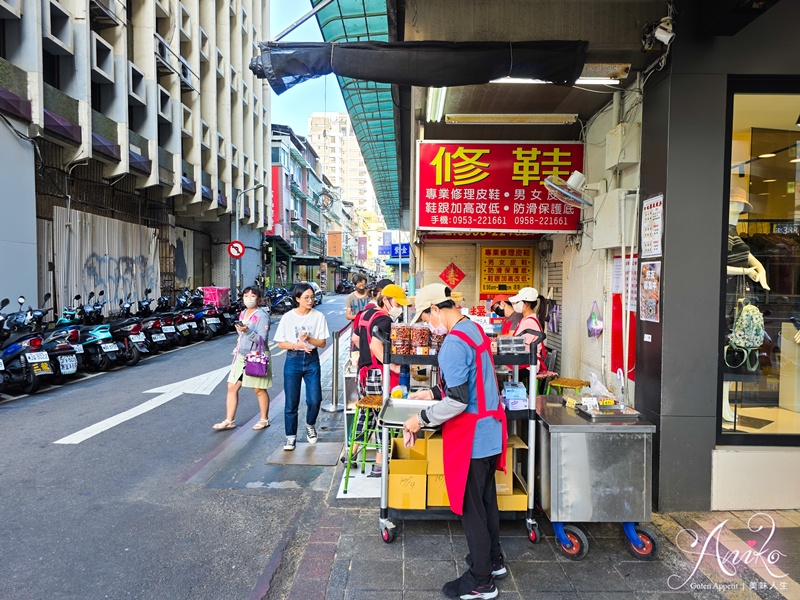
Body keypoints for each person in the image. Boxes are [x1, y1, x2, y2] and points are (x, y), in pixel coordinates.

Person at [404, 284, 506, 600]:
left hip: (472, 438)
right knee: (487, 502)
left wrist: (418, 419)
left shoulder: (451, 345)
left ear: (436, 308)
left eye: (425, 316)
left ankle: (481, 581)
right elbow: (471, 383)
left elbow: (459, 401)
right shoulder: (474, 330)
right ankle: (493, 561)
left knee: (471, 509)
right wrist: (432, 393)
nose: (426, 324)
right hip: (491, 432)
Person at [351, 283, 410, 476]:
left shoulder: (365, 314)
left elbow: (357, 339)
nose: (399, 308)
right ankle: (379, 463)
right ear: (385, 300)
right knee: (381, 417)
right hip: (377, 373)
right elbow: (377, 347)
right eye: (397, 303)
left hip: (364, 372)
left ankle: (350, 455)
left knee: (365, 415)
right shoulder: (384, 320)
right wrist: (393, 366)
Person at [273, 283, 330, 451]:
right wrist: (297, 345)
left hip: (312, 359)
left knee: (315, 399)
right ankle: (290, 437)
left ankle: (310, 424)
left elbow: (323, 342)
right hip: (293, 360)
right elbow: (281, 344)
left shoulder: (318, 317)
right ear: (297, 299)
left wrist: (308, 339)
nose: (310, 300)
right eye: (306, 297)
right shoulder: (288, 317)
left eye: (312, 297)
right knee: (291, 402)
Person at [213, 287, 272, 431]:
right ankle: (229, 420)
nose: (249, 298)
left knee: (258, 389)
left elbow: (262, 341)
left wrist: (247, 331)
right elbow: (242, 335)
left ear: (258, 299)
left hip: (257, 356)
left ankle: (264, 419)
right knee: (232, 386)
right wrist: (241, 331)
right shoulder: (243, 313)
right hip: (241, 355)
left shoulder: (262, 315)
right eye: (246, 296)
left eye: (252, 296)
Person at [727, 187, 770, 290]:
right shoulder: (725, 232)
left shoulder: (733, 231)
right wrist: (746, 271)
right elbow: (717, 265)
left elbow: (748, 256)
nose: (738, 204)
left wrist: (762, 272)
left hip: (739, 286)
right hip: (730, 286)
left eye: (740, 202)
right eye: (733, 202)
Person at [509, 287, 547, 382]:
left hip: (529, 364)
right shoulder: (525, 319)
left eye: (517, 302)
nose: (514, 305)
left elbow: (519, 344)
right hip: (524, 360)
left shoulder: (529, 322)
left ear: (526, 304)